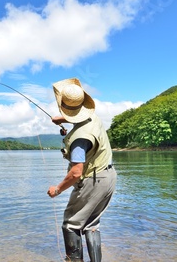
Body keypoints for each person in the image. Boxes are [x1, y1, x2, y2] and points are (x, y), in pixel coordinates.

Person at [47, 78, 117, 262]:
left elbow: (76, 172)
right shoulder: (93, 117)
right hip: (108, 176)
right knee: (91, 223)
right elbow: (82, 117)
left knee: (70, 224)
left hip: (93, 181)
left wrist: (57, 189)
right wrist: (62, 119)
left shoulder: (79, 139)